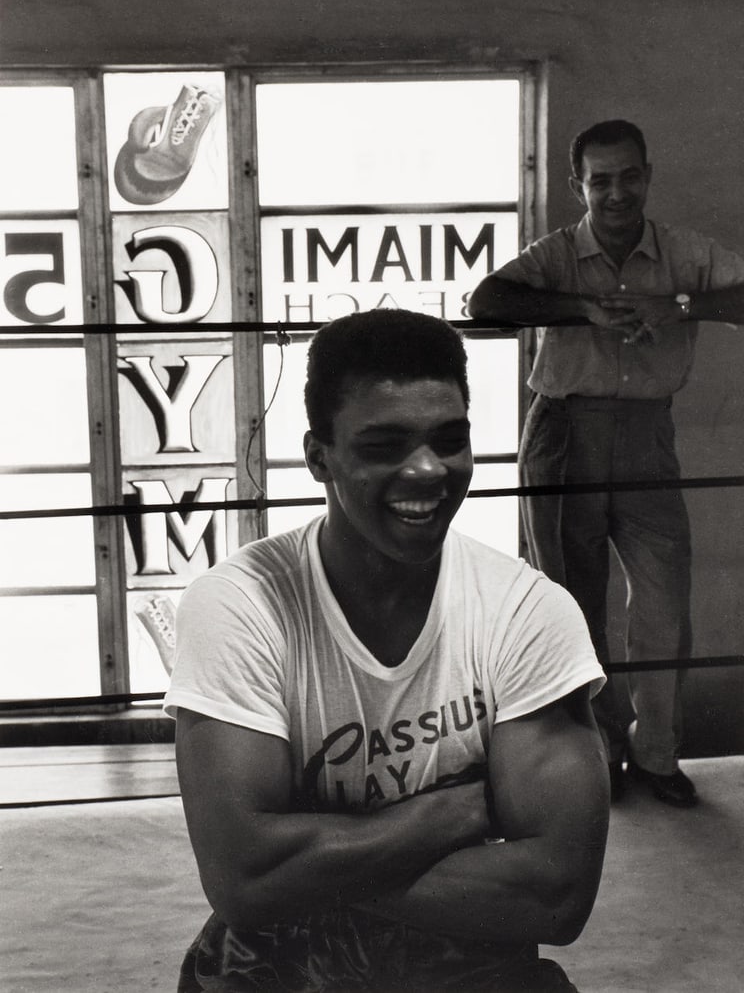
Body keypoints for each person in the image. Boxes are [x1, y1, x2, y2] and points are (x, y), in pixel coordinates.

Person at [164, 308, 609, 993]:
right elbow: (243, 881)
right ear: (320, 458)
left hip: (467, 961)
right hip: (279, 963)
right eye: (384, 445)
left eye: (448, 439)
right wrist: (452, 812)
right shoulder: (241, 606)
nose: (428, 469)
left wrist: (309, 861)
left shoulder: (528, 611)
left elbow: (555, 895)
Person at [467, 118, 744, 809]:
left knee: (663, 600)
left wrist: (678, 304)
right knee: (570, 602)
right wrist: (579, 310)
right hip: (565, 432)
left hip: (650, 433)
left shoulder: (684, 252)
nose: (615, 193)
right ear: (577, 186)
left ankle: (657, 756)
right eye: (600, 181)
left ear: (647, 176)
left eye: (627, 177)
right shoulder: (557, 253)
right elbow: (487, 301)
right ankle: (598, 755)